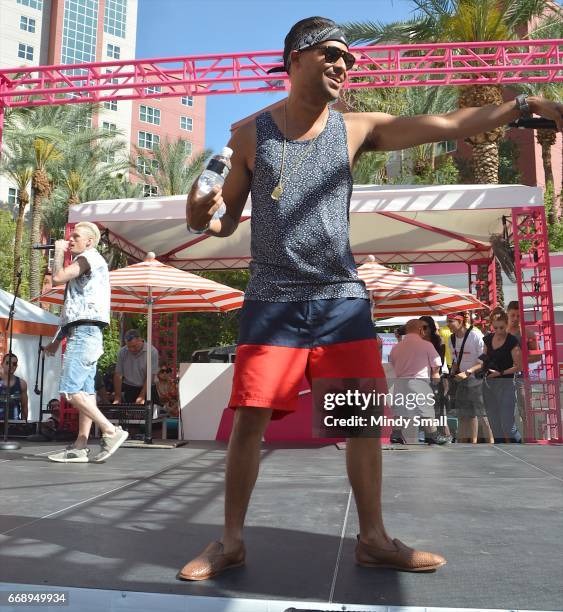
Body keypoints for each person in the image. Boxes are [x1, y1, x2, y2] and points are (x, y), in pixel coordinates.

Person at [181, 16, 562, 580]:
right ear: (295, 59)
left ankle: (374, 538)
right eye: (332, 53)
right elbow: (225, 220)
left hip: (340, 299)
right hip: (273, 300)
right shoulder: (248, 134)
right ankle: (231, 541)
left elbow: (448, 121)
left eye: (349, 59)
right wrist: (198, 214)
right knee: (249, 418)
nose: (343, 65)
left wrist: (521, 105)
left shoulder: (356, 128)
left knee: (360, 422)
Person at [44, 222, 128, 463]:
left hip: (84, 332)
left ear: (90, 242)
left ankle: (110, 430)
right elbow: (72, 312)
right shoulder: (85, 264)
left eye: (76, 237)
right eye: (69, 237)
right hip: (84, 331)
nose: (70, 240)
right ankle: (80, 445)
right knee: (86, 393)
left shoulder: (88, 258)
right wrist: (56, 341)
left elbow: (58, 278)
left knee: (70, 391)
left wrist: (59, 251)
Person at [389, 319, 448, 445]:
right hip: (418, 381)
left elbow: (393, 363)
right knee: (425, 409)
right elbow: (437, 363)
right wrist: (435, 374)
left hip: (400, 382)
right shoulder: (426, 345)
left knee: (401, 410)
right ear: (420, 329)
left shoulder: (396, 347)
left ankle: (396, 434)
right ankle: (433, 435)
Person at [446, 313, 494, 444]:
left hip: (477, 379)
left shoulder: (475, 335)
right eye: (447, 321)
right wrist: (452, 372)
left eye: (451, 321)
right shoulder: (451, 339)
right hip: (461, 380)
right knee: (465, 415)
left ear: (460, 321)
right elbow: (455, 360)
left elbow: (485, 360)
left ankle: (492, 444)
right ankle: (468, 444)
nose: (448, 325)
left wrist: (468, 372)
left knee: (482, 414)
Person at [480, 310, 522, 442]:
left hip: (506, 385)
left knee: (508, 426)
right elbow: (483, 358)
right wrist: (481, 368)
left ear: (506, 324)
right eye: (495, 328)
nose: (499, 331)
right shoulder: (487, 339)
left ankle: (520, 452)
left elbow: (518, 366)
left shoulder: (511, 341)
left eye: (502, 328)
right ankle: (501, 453)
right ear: (491, 325)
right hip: (489, 385)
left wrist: (501, 373)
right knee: (495, 426)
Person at [506, 300, 540, 440]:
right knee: (505, 412)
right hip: (504, 378)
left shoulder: (528, 333)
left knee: (526, 411)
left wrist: (520, 361)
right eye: (512, 315)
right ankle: (508, 443)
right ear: (507, 314)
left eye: (518, 316)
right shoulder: (501, 332)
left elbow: (537, 356)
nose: (515, 318)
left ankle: (529, 440)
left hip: (522, 377)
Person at [419, 316, 452, 441]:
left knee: (439, 411)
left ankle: (446, 435)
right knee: (426, 410)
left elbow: (438, 362)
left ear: (431, 328)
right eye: (420, 327)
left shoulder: (439, 340)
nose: (423, 330)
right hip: (423, 378)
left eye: (425, 327)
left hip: (438, 378)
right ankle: (430, 436)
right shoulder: (419, 342)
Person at [113, 329, 159, 405]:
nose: (131, 349)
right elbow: (118, 374)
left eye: (134, 346)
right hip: (129, 388)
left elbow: (150, 376)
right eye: (129, 347)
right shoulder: (122, 352)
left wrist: (141, 396)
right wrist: (117, 397)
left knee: (150, 414)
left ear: (140, 340)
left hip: (147, 388)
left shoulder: (152, 352)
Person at [0, 352, 29, 422]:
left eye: (14, 364)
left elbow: (24, 407)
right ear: (2, 364)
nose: (11, 366)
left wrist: (23, 425)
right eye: (8, 363)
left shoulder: (22, 383)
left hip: (14, 425)